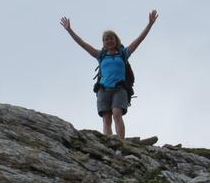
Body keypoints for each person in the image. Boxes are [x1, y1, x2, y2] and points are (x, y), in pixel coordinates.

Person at [60, 10, 158, 139]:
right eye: (106, 40)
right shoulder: (100, 55)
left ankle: (121, 142)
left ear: (116, 40)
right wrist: (69, 30)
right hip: (103, 89)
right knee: (106, 119)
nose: (109, 41)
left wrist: (150, 24)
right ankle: (109, 143)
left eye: (111, 38)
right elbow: (83, 44)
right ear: (103, 43)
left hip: (120, 88)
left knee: (117, 113)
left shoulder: (123, 54)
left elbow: (138, 40)